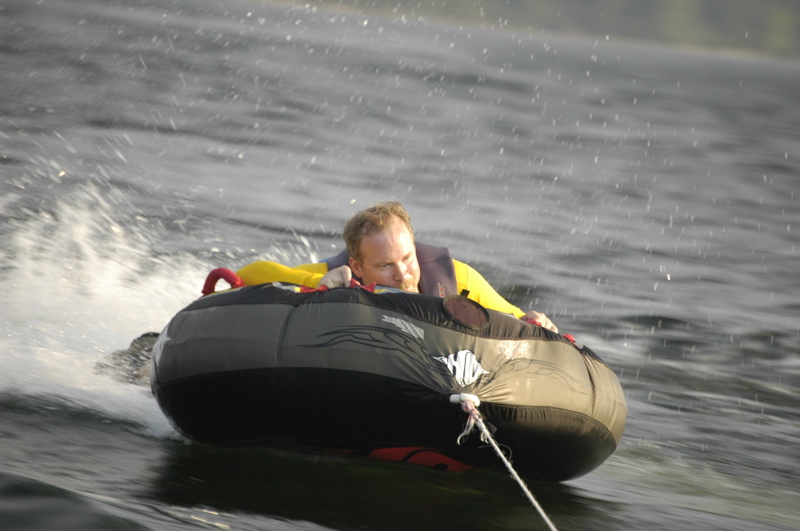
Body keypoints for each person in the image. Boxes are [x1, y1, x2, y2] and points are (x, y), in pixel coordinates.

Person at [236, 201, 558, 332]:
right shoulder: (339, 275)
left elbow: (514, 316)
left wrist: (533, 320)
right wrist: (315, 281)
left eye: (406, 258)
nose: (403, 275)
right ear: (358, 267)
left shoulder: (454, 276)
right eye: (386, 265)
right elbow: (248, 274)